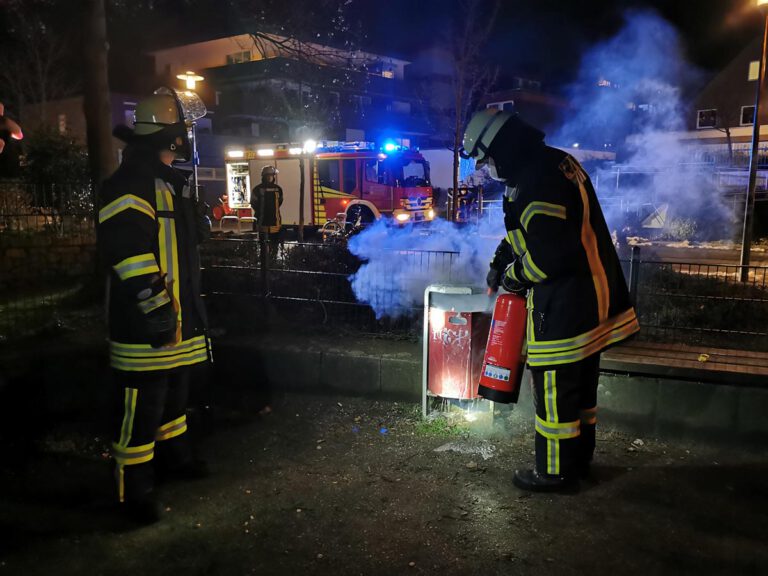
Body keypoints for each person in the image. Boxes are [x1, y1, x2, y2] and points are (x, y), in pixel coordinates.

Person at [461, 109, 639, 493]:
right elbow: (529, 233)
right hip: (593, 302)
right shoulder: (552, 163)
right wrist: (499, 261)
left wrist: (511, 278)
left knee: (555, 396)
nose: (486, 166)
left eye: (486, 157)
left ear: (503, 147)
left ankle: (554, 472)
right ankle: (580, 461)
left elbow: (549, 257)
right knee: (581, 394)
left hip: (566, 307)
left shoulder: (535, 182)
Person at [98, 87, 212, 523]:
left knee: (172, 402)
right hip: (146, 328)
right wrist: (158, 310)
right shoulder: (132, 184)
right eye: (184, 129)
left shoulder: (165, 183)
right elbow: (129, 254)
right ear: (171, 136)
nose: (188, 136)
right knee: (140, 411)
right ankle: (132, 495)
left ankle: (174, 462)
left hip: (175, 325)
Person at [250, 165, 283, 253]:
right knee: (263, 250)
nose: (270, 177)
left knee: (274, 248)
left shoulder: (278, 189)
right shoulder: (256, 190)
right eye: (268, 175)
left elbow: (279, 202)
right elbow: (254, 204)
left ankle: (273, 264)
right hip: (263, 225)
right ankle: (266, 265)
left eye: (271, 175)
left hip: (275, 224)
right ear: (264, 176)